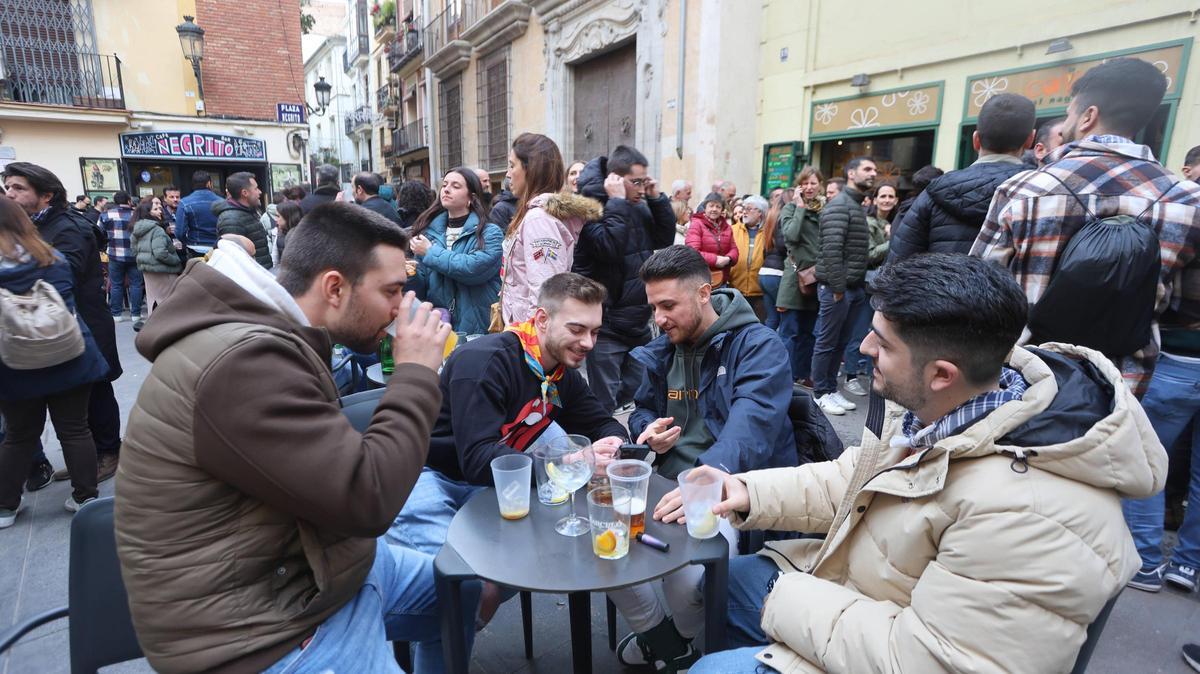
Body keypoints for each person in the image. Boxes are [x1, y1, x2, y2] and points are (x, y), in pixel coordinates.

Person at [686, 253, 1167, 674]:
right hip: (867, 597)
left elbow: (933, 662)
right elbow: (857, 477)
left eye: (882, 343)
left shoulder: (1028, 513)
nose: (864, 350)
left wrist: (786, 598)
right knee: (723, 581)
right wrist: (748, 490)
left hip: (896, 639)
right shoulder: (954, 409)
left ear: (941, 374)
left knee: (711, 666)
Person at [114, 202, 473, 673]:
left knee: (464, 587)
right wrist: (414, 375)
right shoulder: (245, 361)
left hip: (312, 564)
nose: (398, 307)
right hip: (259, 630)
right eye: (392, 290)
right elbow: (369, 499)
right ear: (334, 287)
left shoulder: (274, 334)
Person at [610, 245, 795, 671]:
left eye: (668, 305)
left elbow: (753, 423)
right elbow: (641, 406)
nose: (659, 318)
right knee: (606, 551)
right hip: (661, 482)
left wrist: (706, 477)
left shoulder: (756, 345)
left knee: (690, 580)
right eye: (653, 306)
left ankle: (675, 641)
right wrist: (648, 427)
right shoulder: (663, 347)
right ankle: (672, 644)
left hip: (722, 488)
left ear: (704, 294)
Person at [971, 56, 1200, 398]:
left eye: (1069, 113)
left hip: (1024, 379)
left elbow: (978, 286)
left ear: (1089, 116)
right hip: (1120, 390)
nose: (1064, 124)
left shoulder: (1024, 190)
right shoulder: (1188, 200)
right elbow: (1188, 309)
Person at [3, 162, 122, 485]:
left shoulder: (68, 227)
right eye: (8, 187)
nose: (9, 193)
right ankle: (86, 456)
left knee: (96, 391)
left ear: (46, 195)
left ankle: (108, 452)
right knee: (77, 406)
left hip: (80, 324)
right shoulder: (34, 226)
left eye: (18, 188)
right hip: (58, 324)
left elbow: (58, 277)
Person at [0, 198, 109, 527]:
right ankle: (85, 496)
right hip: (68, 354)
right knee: (76, 429)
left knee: (18, 435)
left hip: (14, 362)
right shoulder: (53, 257)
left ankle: (5, 506)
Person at [572, 145, 676, 414]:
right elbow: (609, 247)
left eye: (645, 181)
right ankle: (600, 443)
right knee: (603, 398)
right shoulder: (589, 208)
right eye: (637, 182)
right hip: (607, 322)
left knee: (637, 384)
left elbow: (663, 239)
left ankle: (590, 416)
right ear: (615, 180)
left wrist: (656, 199)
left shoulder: (637, 206)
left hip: (637, 321)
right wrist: (616, 202)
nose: (642, 188)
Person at [889, 93, 1036, 261]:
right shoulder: (1042, 193)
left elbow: (897, 266)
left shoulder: (934, 193)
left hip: (939, 286)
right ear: (1030, 140)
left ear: (976, 140)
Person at [500, 133, 601, 325]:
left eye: (512, 165)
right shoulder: (533, 214)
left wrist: (530, 341)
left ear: (531, 169)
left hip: (530, 338)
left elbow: (545, 292)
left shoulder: (538, 220)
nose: (507, 173)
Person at [810, 157, 875, 415]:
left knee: (839, 343)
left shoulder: (855, 205)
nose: (873, 173)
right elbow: (831, 250)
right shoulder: (840, 206)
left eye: (874, 170)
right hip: (838, 288)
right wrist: (837, 288)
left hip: (852, 288)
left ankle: (829, 388)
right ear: (851, 173)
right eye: (867, 169)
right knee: (827, 342)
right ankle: (820, 393)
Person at [409, 168, 504, 335]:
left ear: (471, 198)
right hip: (440, 327)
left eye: (456, 186)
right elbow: (422, 286)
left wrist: (430, 253)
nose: (446, 189)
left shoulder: (490, 233)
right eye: (444, 184)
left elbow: (472, 269)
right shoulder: (429, 233)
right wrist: (410, 272)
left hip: (478, 329)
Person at [840, 181, 895, 396]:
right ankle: (851, 374)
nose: (887, 200)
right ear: (875, 200)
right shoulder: (869, 222)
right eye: (883, 196)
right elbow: (870, 254)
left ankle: (866, 370)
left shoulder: (892, 221)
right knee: (860, 330)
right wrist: (893, 239)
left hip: (883, 284)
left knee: (878, 331)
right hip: (868, 283)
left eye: (891, 196)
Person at [775, 168, 824, 386]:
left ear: (820, 185)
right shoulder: (790, 209)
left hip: (816, 277)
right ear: (799, 186)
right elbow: (791, 235)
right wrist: (800, 208)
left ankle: (803, 375)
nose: (810, 187)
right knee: (789, 332)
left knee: (808, 333)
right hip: (794, 278)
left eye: (814, 183)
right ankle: (784, 376)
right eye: (805, 183)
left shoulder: (825, 210)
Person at [130, 196, 182, 317]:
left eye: (160, 208)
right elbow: (160, 253)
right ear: (148, 213)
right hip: (164, 272)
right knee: (168, 303)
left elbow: (134, 250)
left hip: (148, 271)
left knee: (153, 302)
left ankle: (154, 329)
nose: (160, 211)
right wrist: (176, 260)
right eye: (156, 209)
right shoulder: (157, 230)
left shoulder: (137, 229)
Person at [98, 190, 144, 322]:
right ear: (128, 201)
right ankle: (136, 314)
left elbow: (99, 233)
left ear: (115, 201)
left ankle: (116, 314)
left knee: (116, 284)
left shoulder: (105, 215)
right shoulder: (136, 214)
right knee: (136, 284)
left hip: (114, 254)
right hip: (135, 254)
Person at [213, 171, 271, 269]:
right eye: (256, 188)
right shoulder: (231, 220)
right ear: (245, 193)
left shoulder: (248, 211)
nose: (260, 192)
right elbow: (236, 261)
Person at [729, 195, 769, 319]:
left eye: (750, 208)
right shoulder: (732, 230)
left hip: (759, 293)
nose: (745, 211)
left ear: (760, 213)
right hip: (735, 289)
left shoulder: (768, 232)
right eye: (744, 208)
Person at [686, 193, 738, 287]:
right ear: (705, 208)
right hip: (701, 279)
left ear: (722, 210)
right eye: (711, 206)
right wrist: (716, 260)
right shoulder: (696, 224)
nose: (714, 209)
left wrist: (728, 258)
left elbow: (734, 249)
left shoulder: (726, 227)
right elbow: (692, 252)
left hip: (722, 279)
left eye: (718, 207)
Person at [756, 191, 786, 330]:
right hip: (778, 273)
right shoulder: (783, 219)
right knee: (785, 321)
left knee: (772, 319)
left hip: (765, 272)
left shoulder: (771, 218)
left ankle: (766, 350)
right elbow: (782, 246)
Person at [175, 170, 222, 249]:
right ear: (209, 183)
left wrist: (188, 242)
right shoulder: (222, 202)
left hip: (195, 246)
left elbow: (180, 232)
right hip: (217, 246)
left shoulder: (184, 203)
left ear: (193, 184)